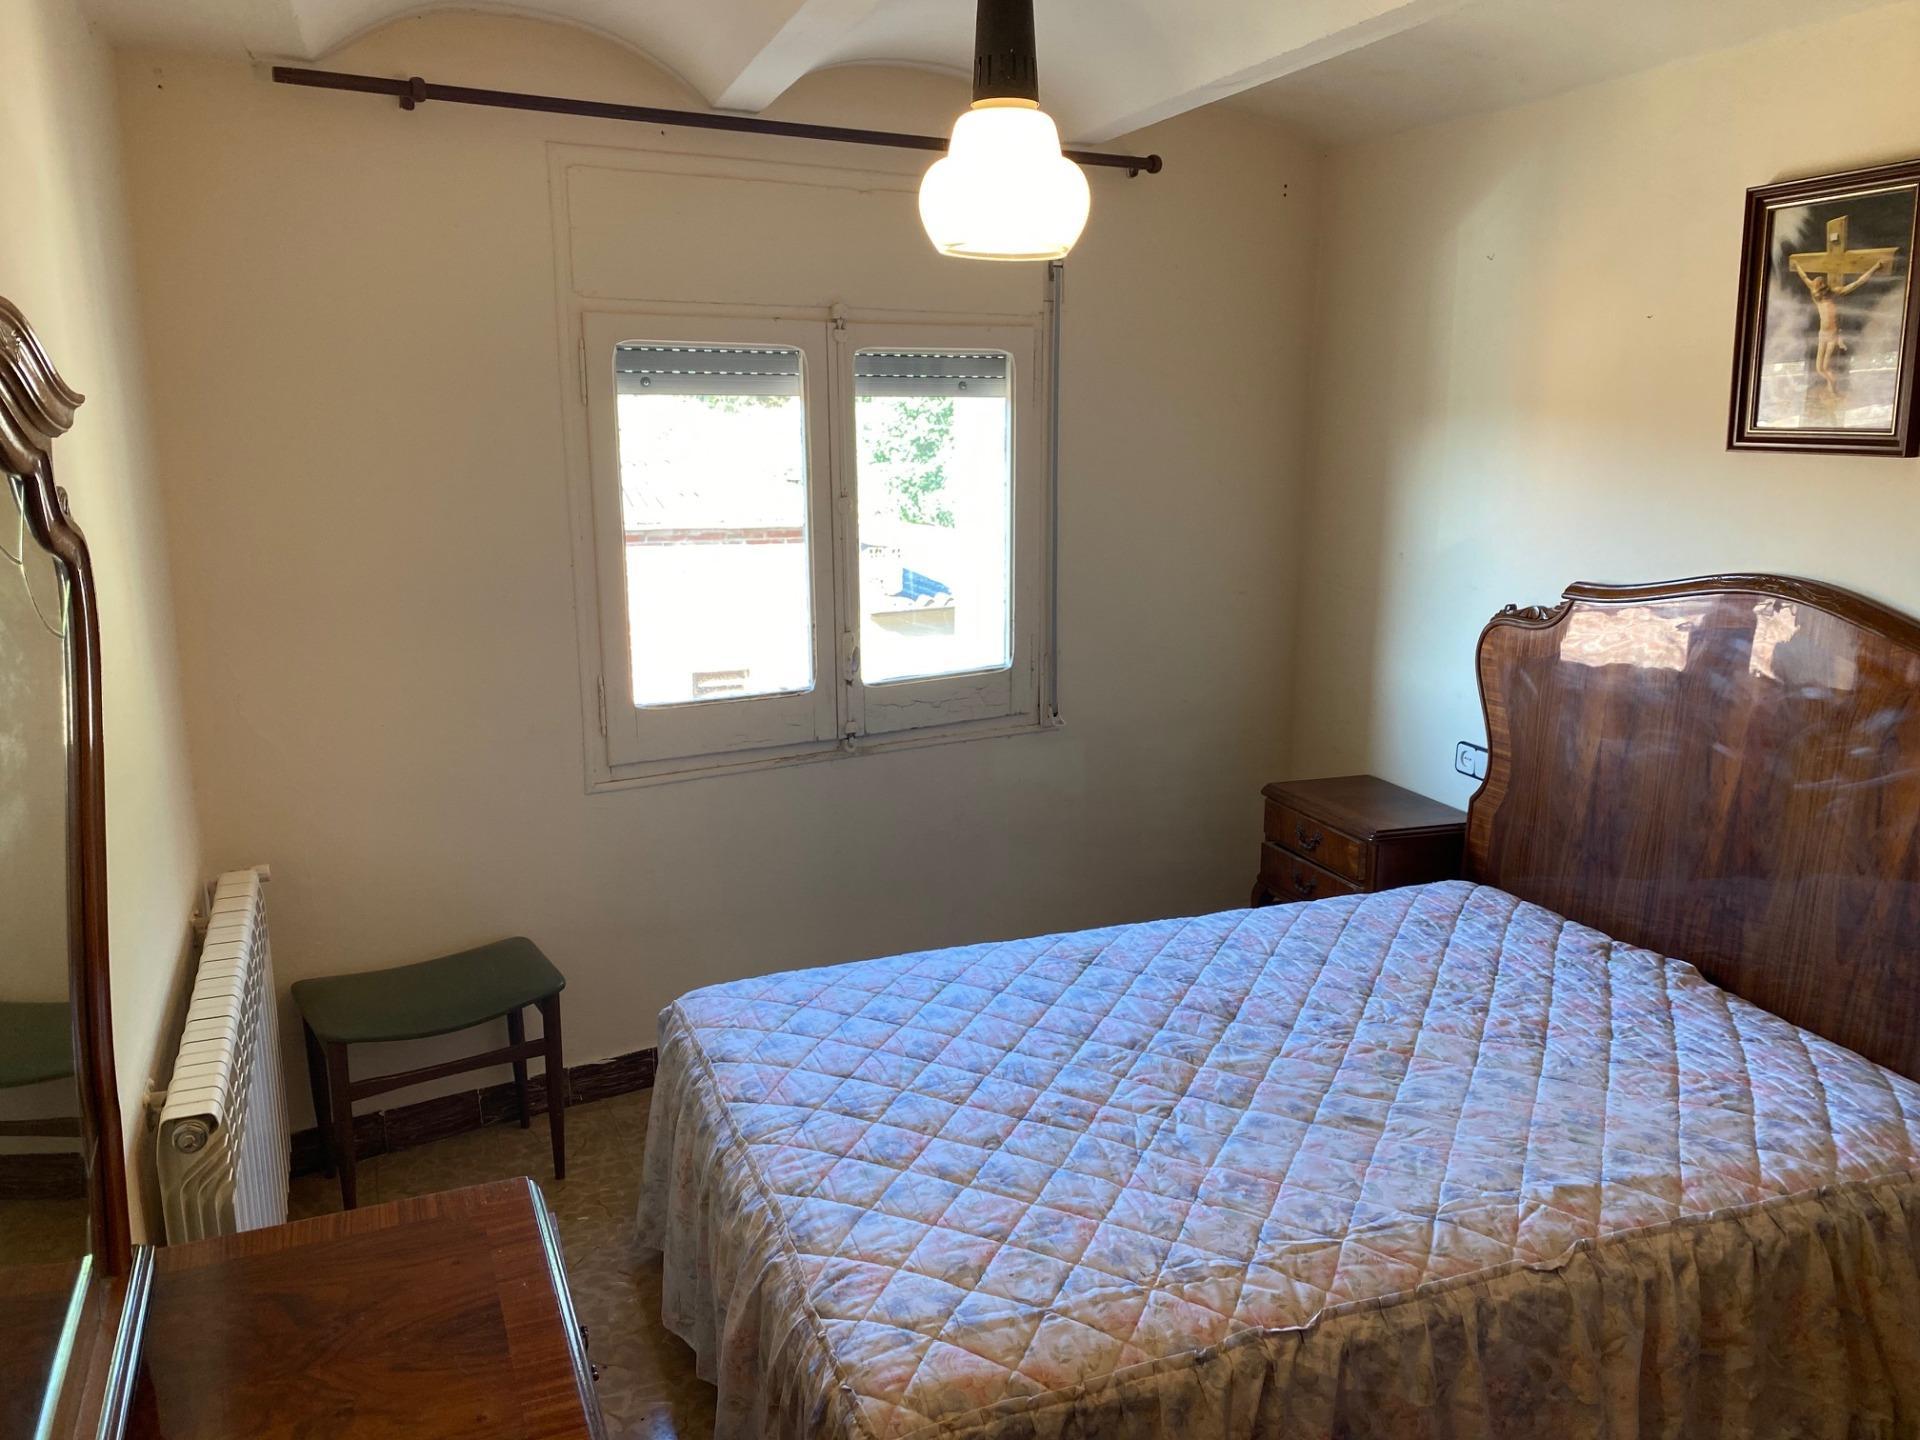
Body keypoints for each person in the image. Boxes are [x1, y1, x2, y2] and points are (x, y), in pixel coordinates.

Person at [1791, 252, 1893, 397]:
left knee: (1826, 367)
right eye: (1816, 284)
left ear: (1824, 285)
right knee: (1819, 368)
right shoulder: (1816, 296)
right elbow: (1804, 277)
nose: (1816, 285)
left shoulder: (1835, 293)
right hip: (1822, 335)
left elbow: (1858, 283)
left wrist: (1875, 267)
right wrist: (1797, 266)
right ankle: (1830, 385)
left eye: (1819, 283)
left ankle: (1833, 390)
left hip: (1832, 335)